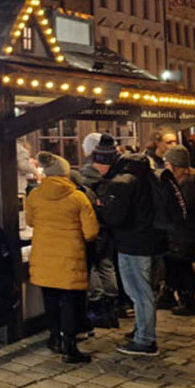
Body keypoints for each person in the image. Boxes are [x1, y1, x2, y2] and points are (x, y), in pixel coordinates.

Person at [91, 134, 165, 356]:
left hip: (134, 242)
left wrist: (100, 206)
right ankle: (141, 331)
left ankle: (145, 340)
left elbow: (116, 217)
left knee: (139, 292)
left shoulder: (122, 181)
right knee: (144, 290)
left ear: (105, 162)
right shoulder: (139, 173)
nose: (95, 168)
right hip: (148, 239)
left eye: (97, 163)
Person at [26, 152, 100, 363]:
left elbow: (30, 221)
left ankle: (53, 338)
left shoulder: (35, 195)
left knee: (50, 299)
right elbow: (91, 232)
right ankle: (70, 345)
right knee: (69, 302)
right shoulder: (78, 197)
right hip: (70, 258)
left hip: (43, 257)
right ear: (66, 173)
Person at [79, 133, 120, 329]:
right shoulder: (112, 178)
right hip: (108, 228)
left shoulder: (86, 179)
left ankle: (98, 307)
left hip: (93, 229)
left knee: (93, 267)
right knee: (106, 264)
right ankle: (111, 306)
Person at [163, 145, 195, 316]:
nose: (165, 167)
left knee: (183, 267)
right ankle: (175, 297)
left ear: (177, 166)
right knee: (175, 266)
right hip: (180, 233)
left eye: (168, 164)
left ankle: (189, 302)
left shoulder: (188, 184)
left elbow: (181, 208)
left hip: (185, 234)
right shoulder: (182, 182)